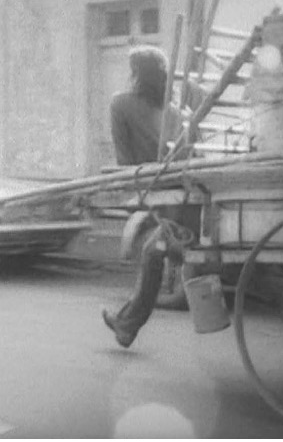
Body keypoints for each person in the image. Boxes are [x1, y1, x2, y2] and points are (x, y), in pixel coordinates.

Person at [101, 45, 194, 348]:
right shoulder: (178, 113)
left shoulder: (120, 105)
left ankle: (127, 324)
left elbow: (125, 161)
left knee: (159, 252)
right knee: (154, 251)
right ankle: (126, 324)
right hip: (186, 190)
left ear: (136, 75)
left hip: (160, 192)